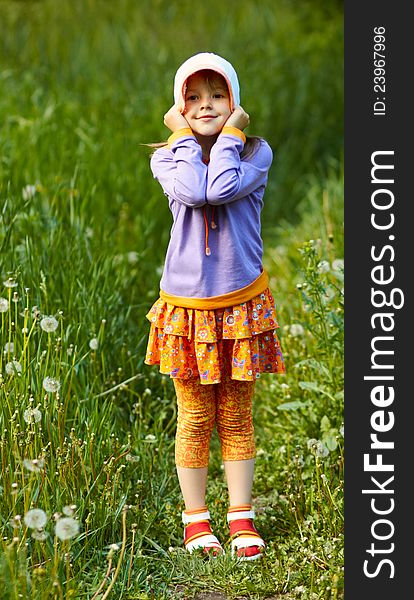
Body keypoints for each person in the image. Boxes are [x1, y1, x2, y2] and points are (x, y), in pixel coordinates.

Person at [144, 52, 285, 561]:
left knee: (237, 414)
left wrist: (228, 139)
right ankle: (196, 520)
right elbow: (194, 192)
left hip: (241, 304)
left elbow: (219, 187)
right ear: (179, 106)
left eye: (218, 95)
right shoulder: (167, 156)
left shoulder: (254, 155)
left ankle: (241, 517)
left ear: (236, 102)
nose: (207, 105)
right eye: (194, 96)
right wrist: (184, 140)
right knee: (195, 415)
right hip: (186, 308)